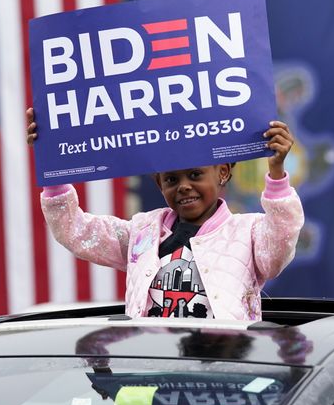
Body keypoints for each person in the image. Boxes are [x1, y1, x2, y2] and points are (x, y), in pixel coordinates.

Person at [26, 107, 304, 321]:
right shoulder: (142, 232)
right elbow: (77, 232)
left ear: (223, 172)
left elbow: (279, 245)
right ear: (159, 184)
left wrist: (277, 174)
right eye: (171, 180)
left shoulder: (248, 231)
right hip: (148, 371)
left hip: (222, 375)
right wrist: (53, 167)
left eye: (195, 174)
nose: (184, 186)